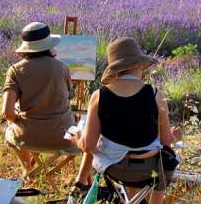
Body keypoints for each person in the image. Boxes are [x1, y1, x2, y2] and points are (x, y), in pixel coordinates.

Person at [70, 37, 181, 204]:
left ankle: (80, 186)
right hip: (149, 171)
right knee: (164, 163)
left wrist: (78, 140)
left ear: (115, 70)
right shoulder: (156, 94)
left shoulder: (99, 96)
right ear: (139, 65)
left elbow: (89, 146)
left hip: (115, 170)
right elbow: (166, 141)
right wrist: (176, 137)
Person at [1, 22, 76, 175]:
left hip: (28, 138)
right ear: (49, 45)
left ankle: (28, 169)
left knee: (11, 128)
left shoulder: (15, 70)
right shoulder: (62, 67)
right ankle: (33, 171)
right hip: (63, 138)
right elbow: (69, 98)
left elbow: (7, 113)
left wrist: (18, 119)